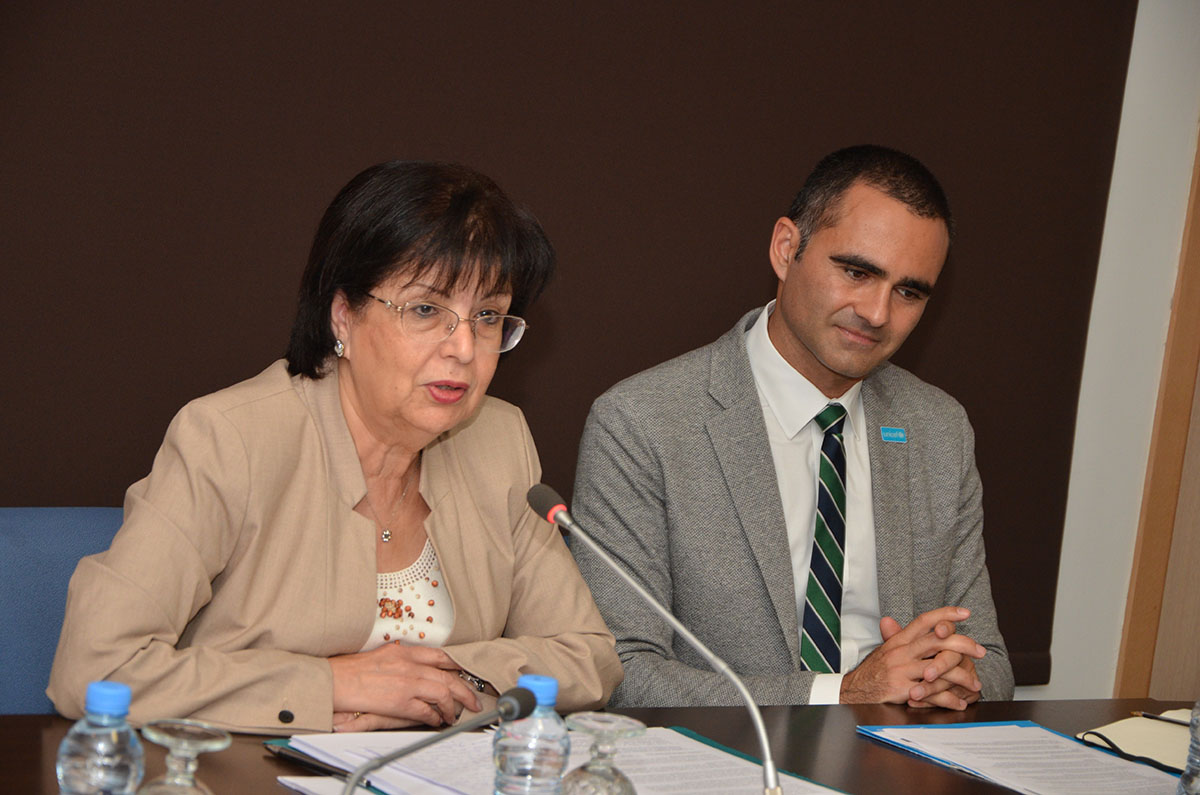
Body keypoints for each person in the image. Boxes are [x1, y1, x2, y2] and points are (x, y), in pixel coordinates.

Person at [48, 161, 622, 734]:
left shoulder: (498, 440)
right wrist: (330, 686)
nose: (465, 348)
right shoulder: (230, 438)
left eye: (488, 317)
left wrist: (446, 683)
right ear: (343, 315)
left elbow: (588, 655)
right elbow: (96, 669)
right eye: (427, 310)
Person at [570, 145, 1014, 710]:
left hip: (898, 753)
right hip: (727, 755)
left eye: (908, 292)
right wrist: (842, 693)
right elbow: (620, 673)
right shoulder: (643, 422)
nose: (878, 313)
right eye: (857, 272)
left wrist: (949, 677)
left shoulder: (938, 430)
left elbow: (991, 665)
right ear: (786, 249)